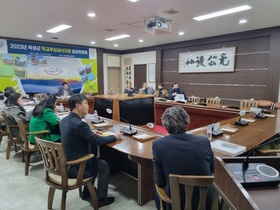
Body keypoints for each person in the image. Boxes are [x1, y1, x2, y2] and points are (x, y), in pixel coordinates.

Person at [60, 94, 122, 207]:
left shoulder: (65, 120)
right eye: (86, 104)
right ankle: (101, 198)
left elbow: (74, 135)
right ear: (78, 106)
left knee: (94, 158)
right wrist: (115, 136)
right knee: (103, 165)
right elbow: (98, 141)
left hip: (67, 163)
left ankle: (86, 192)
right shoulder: (80, 124)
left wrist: (90, 132)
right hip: (77, 166)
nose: (88, 106)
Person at [152, 106, 214, 210]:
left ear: (165, 126)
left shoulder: (158, 145)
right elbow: (212, 169)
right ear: (187, 124)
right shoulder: (204, 141)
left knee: (156, 188)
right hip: (205, 201)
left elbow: (160, 181)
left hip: (175, 203)